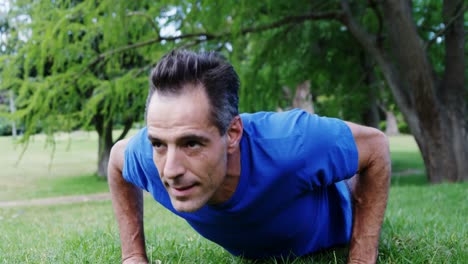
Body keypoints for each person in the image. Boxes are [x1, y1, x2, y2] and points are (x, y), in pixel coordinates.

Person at [108, 50, 391, 264]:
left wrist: (362, 255)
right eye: (159, 144)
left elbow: (376, 146)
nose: (170, 170)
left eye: (192, 143)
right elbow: (117, 160)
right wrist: (133, 256)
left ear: (232, 134)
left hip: (334, 217)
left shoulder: (293, 142)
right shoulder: (149, 156)